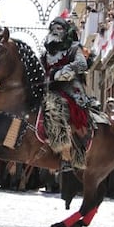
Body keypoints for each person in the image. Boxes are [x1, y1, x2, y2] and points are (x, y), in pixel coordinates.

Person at [40, 15, 89, 167]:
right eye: (53, 28)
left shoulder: (74, 48)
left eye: (59, 28)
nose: (55, 31)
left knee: (53, 108)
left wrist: (61, 72)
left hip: (70, 89)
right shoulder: (45, 54)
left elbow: (82, 65)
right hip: (49, 89)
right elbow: (40, 70)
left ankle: (67, 154)